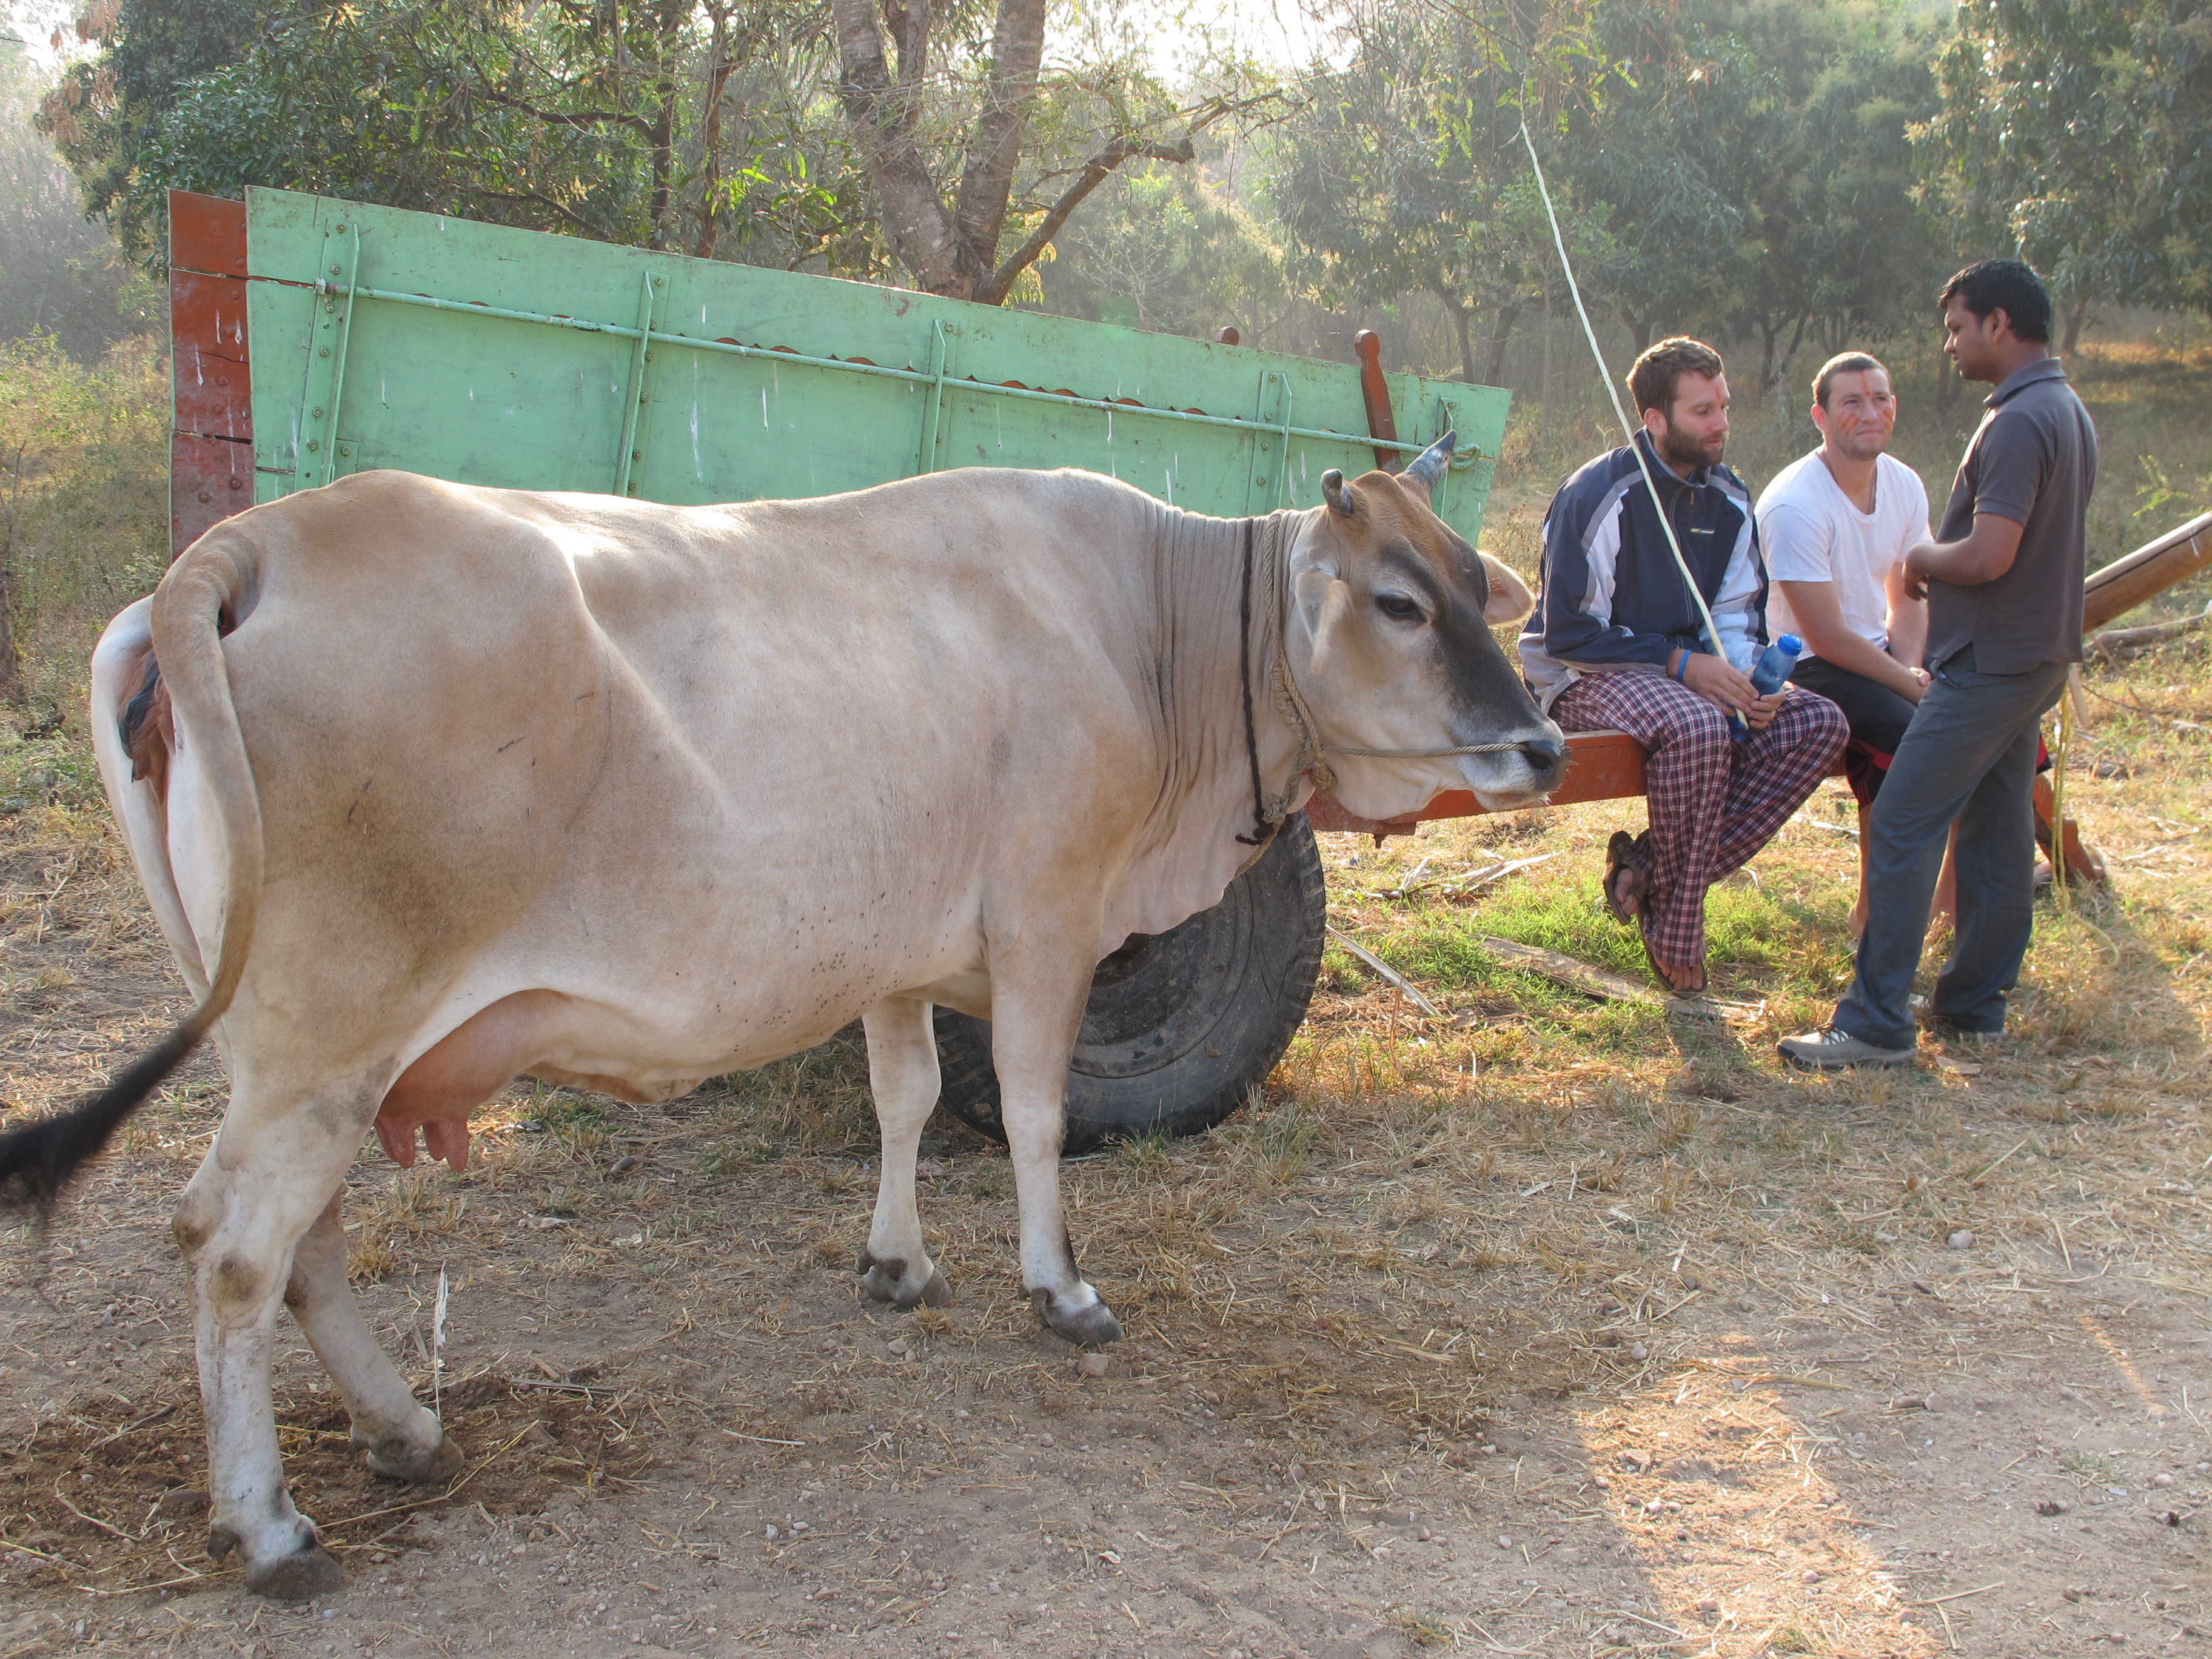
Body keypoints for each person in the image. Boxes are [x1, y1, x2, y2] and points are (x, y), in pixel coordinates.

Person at [1781, 260, 2097, 1068]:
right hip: (2033, 656)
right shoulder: (2064, 407)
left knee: (1907, 819)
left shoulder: (2021, 420)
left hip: (1988, 664)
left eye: (1958, 327)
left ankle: (1875, 1021)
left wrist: (1922, 557)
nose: (1951, 345)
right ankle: (1972, 1002)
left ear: (1998, 323)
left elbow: (1992, 554)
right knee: (1994, 830)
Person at [1521, 338, 1848, 995]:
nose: (1722, 423)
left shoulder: (1728, 499)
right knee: (1696, 727)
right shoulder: (1599, 493)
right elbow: (1569, 633)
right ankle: (1677, 931)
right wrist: (1681, 665)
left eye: (1723, 406)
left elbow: (1734, 612)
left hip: (1682, 679)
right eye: (1703, 411)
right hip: (1581, 677)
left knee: (1818, 724)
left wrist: (1748, 678)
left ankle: (1645, 870)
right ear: (1656, 421)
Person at [1759, 352, 1934, 937]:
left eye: (1879, 398)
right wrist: (1906, 684)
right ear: (1821, 416)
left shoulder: (1904, 484)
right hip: (1803, 664)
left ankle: (1939, 906)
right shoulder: (1796, 503)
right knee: (1916, 734)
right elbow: (1826, 637)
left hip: (1877, 653)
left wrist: (1910, 666)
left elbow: (1908, 596)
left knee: (1980, 717)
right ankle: (1881, 916)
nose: (1869, 412)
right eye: (1851, 402)